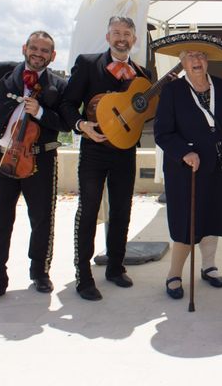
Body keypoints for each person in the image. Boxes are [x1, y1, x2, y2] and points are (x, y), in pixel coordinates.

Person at [60, 16, 152, 301]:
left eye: (127, 33)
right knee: (88, 211)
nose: (121, 38)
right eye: (116, 33)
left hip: (125, 151)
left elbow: (144, 114)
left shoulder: (142, 73)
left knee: (122, 211)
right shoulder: (88, 63)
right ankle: (83, 275)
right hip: (94, 150)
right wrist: (80, 125)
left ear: (134, 40)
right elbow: (66, 102)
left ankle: (115, 267)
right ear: (108, 36)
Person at [0, 31, 67, 307]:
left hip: (40, 158)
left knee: (42, 219)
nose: (38, 54)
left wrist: (39, 112)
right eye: (34, 48)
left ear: (53, 56)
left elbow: (63, 121)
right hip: (4, 156)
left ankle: (39, 271)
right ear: (25, 48)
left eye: (45, 50)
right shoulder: (3, 72)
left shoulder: (58, 85)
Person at [154, 35, 222, 299]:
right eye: (190, 56)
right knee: (186, 222)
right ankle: (174, 274)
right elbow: (162, 133)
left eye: (201, 56)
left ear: (207, 61)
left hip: (217, 165)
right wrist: (185, 152)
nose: (197, 60)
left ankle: (208, 267)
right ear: (182, 62)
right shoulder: (171, 91)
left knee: (212, 216)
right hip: (185, 170)